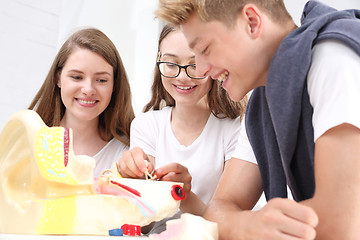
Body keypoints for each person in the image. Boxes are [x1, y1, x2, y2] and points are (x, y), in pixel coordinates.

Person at [155, 0, 360, 239]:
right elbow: (217, 210)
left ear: (252, 22)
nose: (200, 70)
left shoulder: (333, 57)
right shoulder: (262, 105)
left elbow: (340, 225)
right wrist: (247, 224)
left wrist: (240, 224)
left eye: (205, 49)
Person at [117, 24, 259, 234]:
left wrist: (183, 195)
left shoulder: (235, 129)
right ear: (159, 61)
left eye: (195, 64)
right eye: (171, 63)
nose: (183, 77)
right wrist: (134, 186)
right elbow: (143, 225)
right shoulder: (145, 125)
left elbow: (225, 226)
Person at [29, 28, 135, 177]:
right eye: (77, 77)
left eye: (101, 80)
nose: (88, 89)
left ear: (114, 85)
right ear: (58, 78)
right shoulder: (29, 143)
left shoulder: (127, 155)